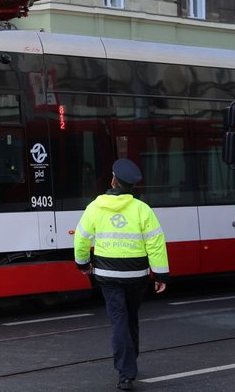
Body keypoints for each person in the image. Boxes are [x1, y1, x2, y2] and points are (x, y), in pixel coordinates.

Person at [74, 158, 169, 391]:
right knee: (130, 318)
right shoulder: (142, 209)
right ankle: (130, 360)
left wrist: (82, 265)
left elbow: (81, 238)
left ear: (113, 180)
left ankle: (125, 374)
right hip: (136, 276)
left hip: (108, 275)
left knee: (119, 320)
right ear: (132, 187)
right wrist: (160, 276)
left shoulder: (95, 207)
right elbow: (156, 244)